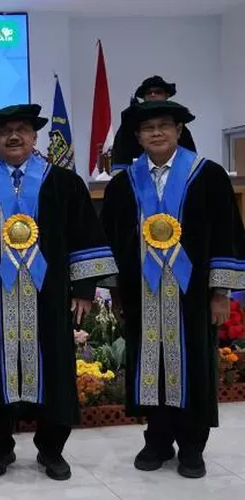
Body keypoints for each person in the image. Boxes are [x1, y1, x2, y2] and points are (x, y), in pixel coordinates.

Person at [0, 104, 118, 481]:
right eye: (5, 131)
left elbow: (84, 235)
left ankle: (51, 449)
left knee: (53, 368)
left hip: (50, 295)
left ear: (35, 137)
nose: (13, 136)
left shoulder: (64, 182)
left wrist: (83, 289)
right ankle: (0, 446)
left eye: (21, 129)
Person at [101, 100, 245, 479]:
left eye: (165, 125)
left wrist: (220, 294)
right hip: (143, 294)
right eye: (148, 128)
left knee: (194, 366)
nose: (157, 133)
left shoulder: (208, 175)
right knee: (150, 368)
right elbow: (113, 240)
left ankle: (192, 447)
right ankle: (158, 440)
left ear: (179, 131)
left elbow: (226, 235)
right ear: (137, 136)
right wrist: (116, 292)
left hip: (193, 294)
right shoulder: (124, 183)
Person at [111, 76, 196, 170]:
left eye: (158, 92)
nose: (153, 94)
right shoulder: (130, 124)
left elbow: (190, 156)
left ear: (166, 95)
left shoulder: (178, 123)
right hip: (139, 174)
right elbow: (120, 156)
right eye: (149, 92)